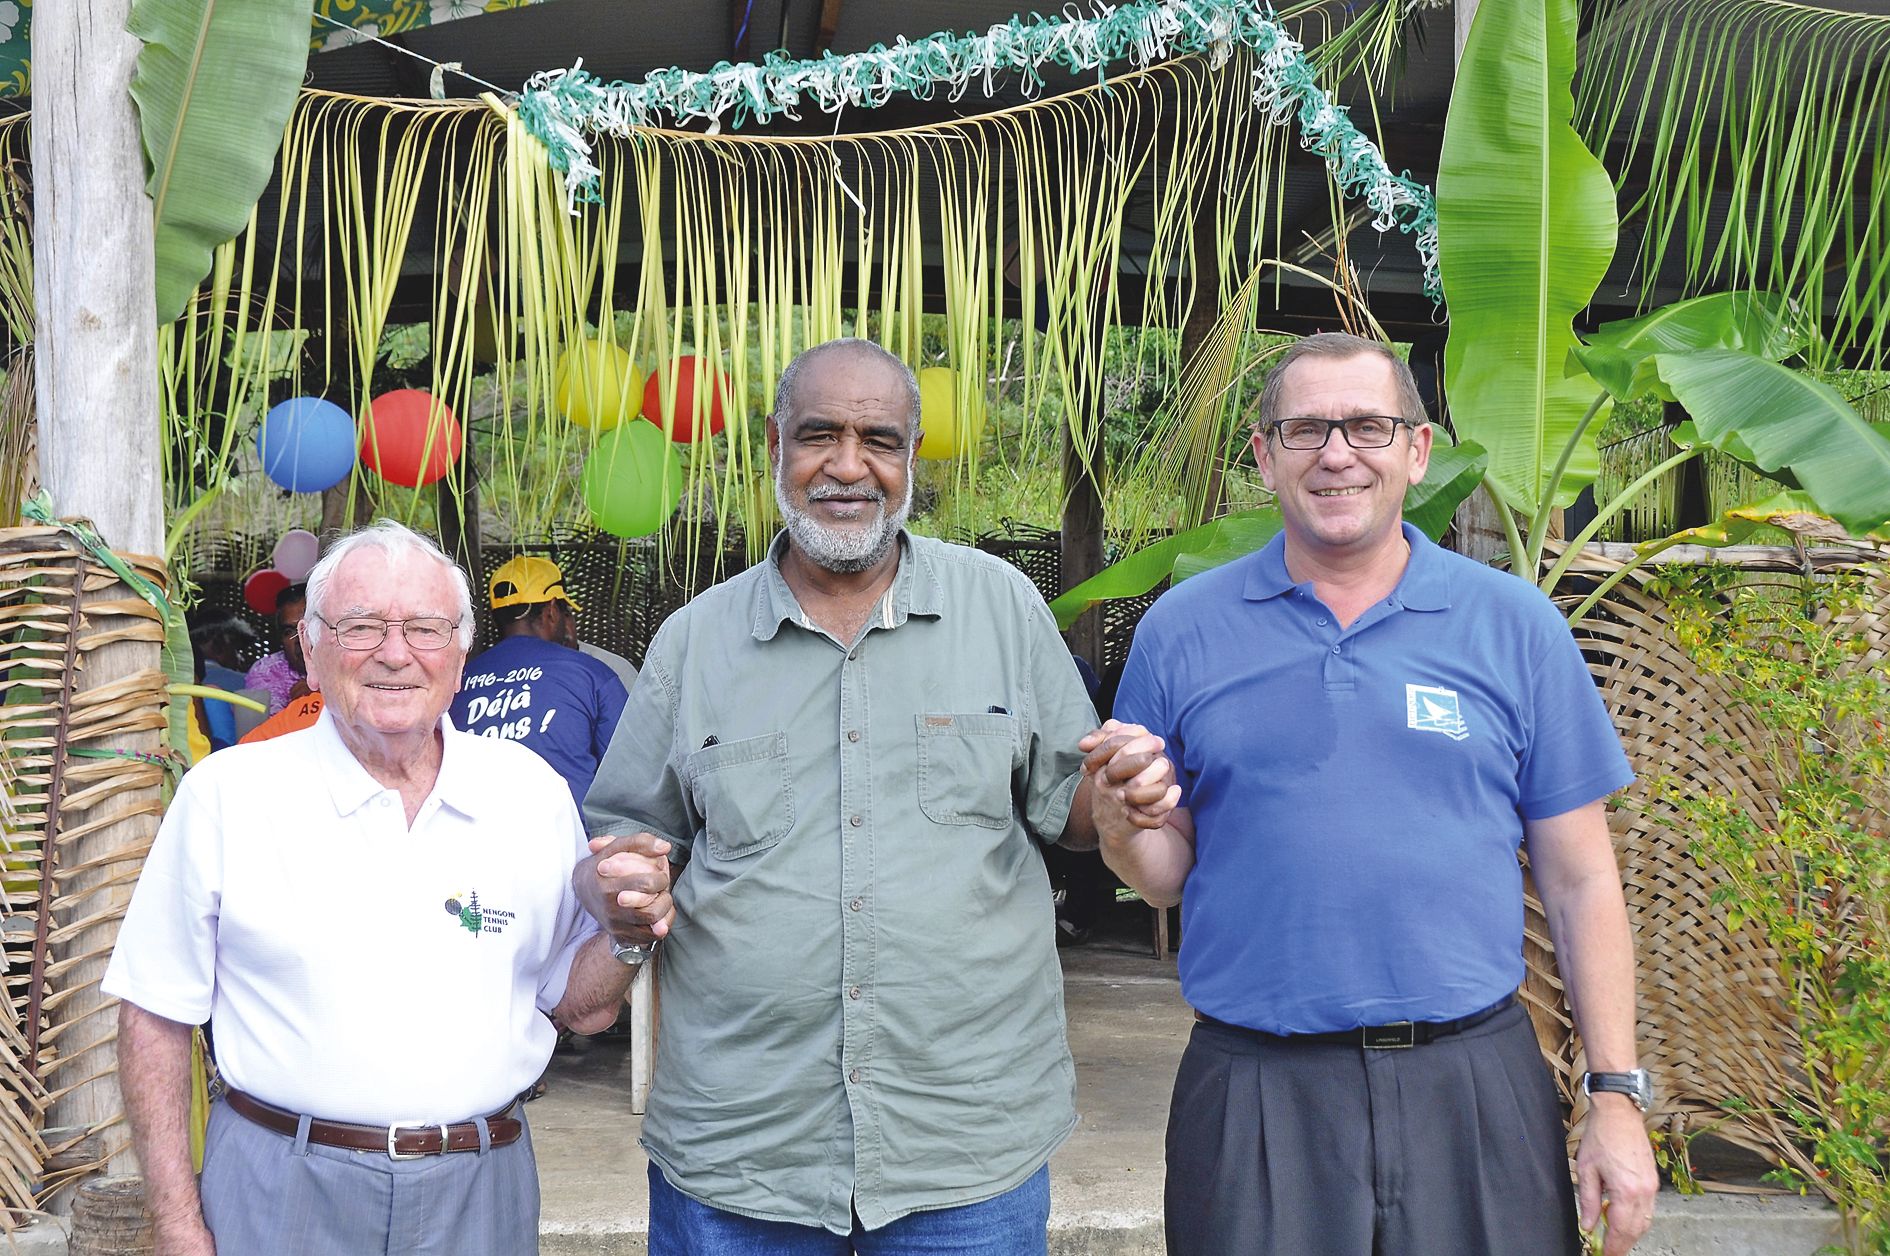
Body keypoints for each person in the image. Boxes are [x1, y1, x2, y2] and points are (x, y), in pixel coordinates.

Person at [1083, 332, 1659, 1256]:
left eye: (1367, 426)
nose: (1337, 453)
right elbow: (1162, 874)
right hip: (1256, 1089)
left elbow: (1584, 882)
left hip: (1472, 1082)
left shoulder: (1514, 625)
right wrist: (1121, 826)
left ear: (1417, 451)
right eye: (1306, 429)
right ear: (1265, 456)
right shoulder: (1182, 631)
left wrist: (1616, 1100)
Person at [581, 337, 1102, 1253]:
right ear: (775, 444)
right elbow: (624, 835)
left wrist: (1130, 796)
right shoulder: (694, 642)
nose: (849, 466)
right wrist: (621, 884)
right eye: (820, 435)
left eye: (880, 440)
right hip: (742, 1149)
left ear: (911, 457)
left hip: (965, 1145)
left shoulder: (1001, 609)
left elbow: (1075, 811)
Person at [103, 520, 673, 1256]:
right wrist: (176, 1223)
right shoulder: (229, 794)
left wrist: (628, 935)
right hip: (279, 1190)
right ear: (310, 649)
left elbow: (576, 1004)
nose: (395, 653)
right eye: (361, 626)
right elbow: (153, 1013)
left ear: (461, 655)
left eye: (425, 628)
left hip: (483, 1189)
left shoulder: (527, 794)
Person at [449, 555, 629, 806]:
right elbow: (631, 774)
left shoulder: (456, 680)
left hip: (469, 838)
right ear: (552, 611)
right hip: (572, 841)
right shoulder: (593, 675)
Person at [243, 582, 308, 715]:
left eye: (307, 627)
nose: (299, 639)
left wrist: (324, 694)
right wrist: (303, 704)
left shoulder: (348, 659)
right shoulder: (267, 672)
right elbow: (269, 730)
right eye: (289, 631)